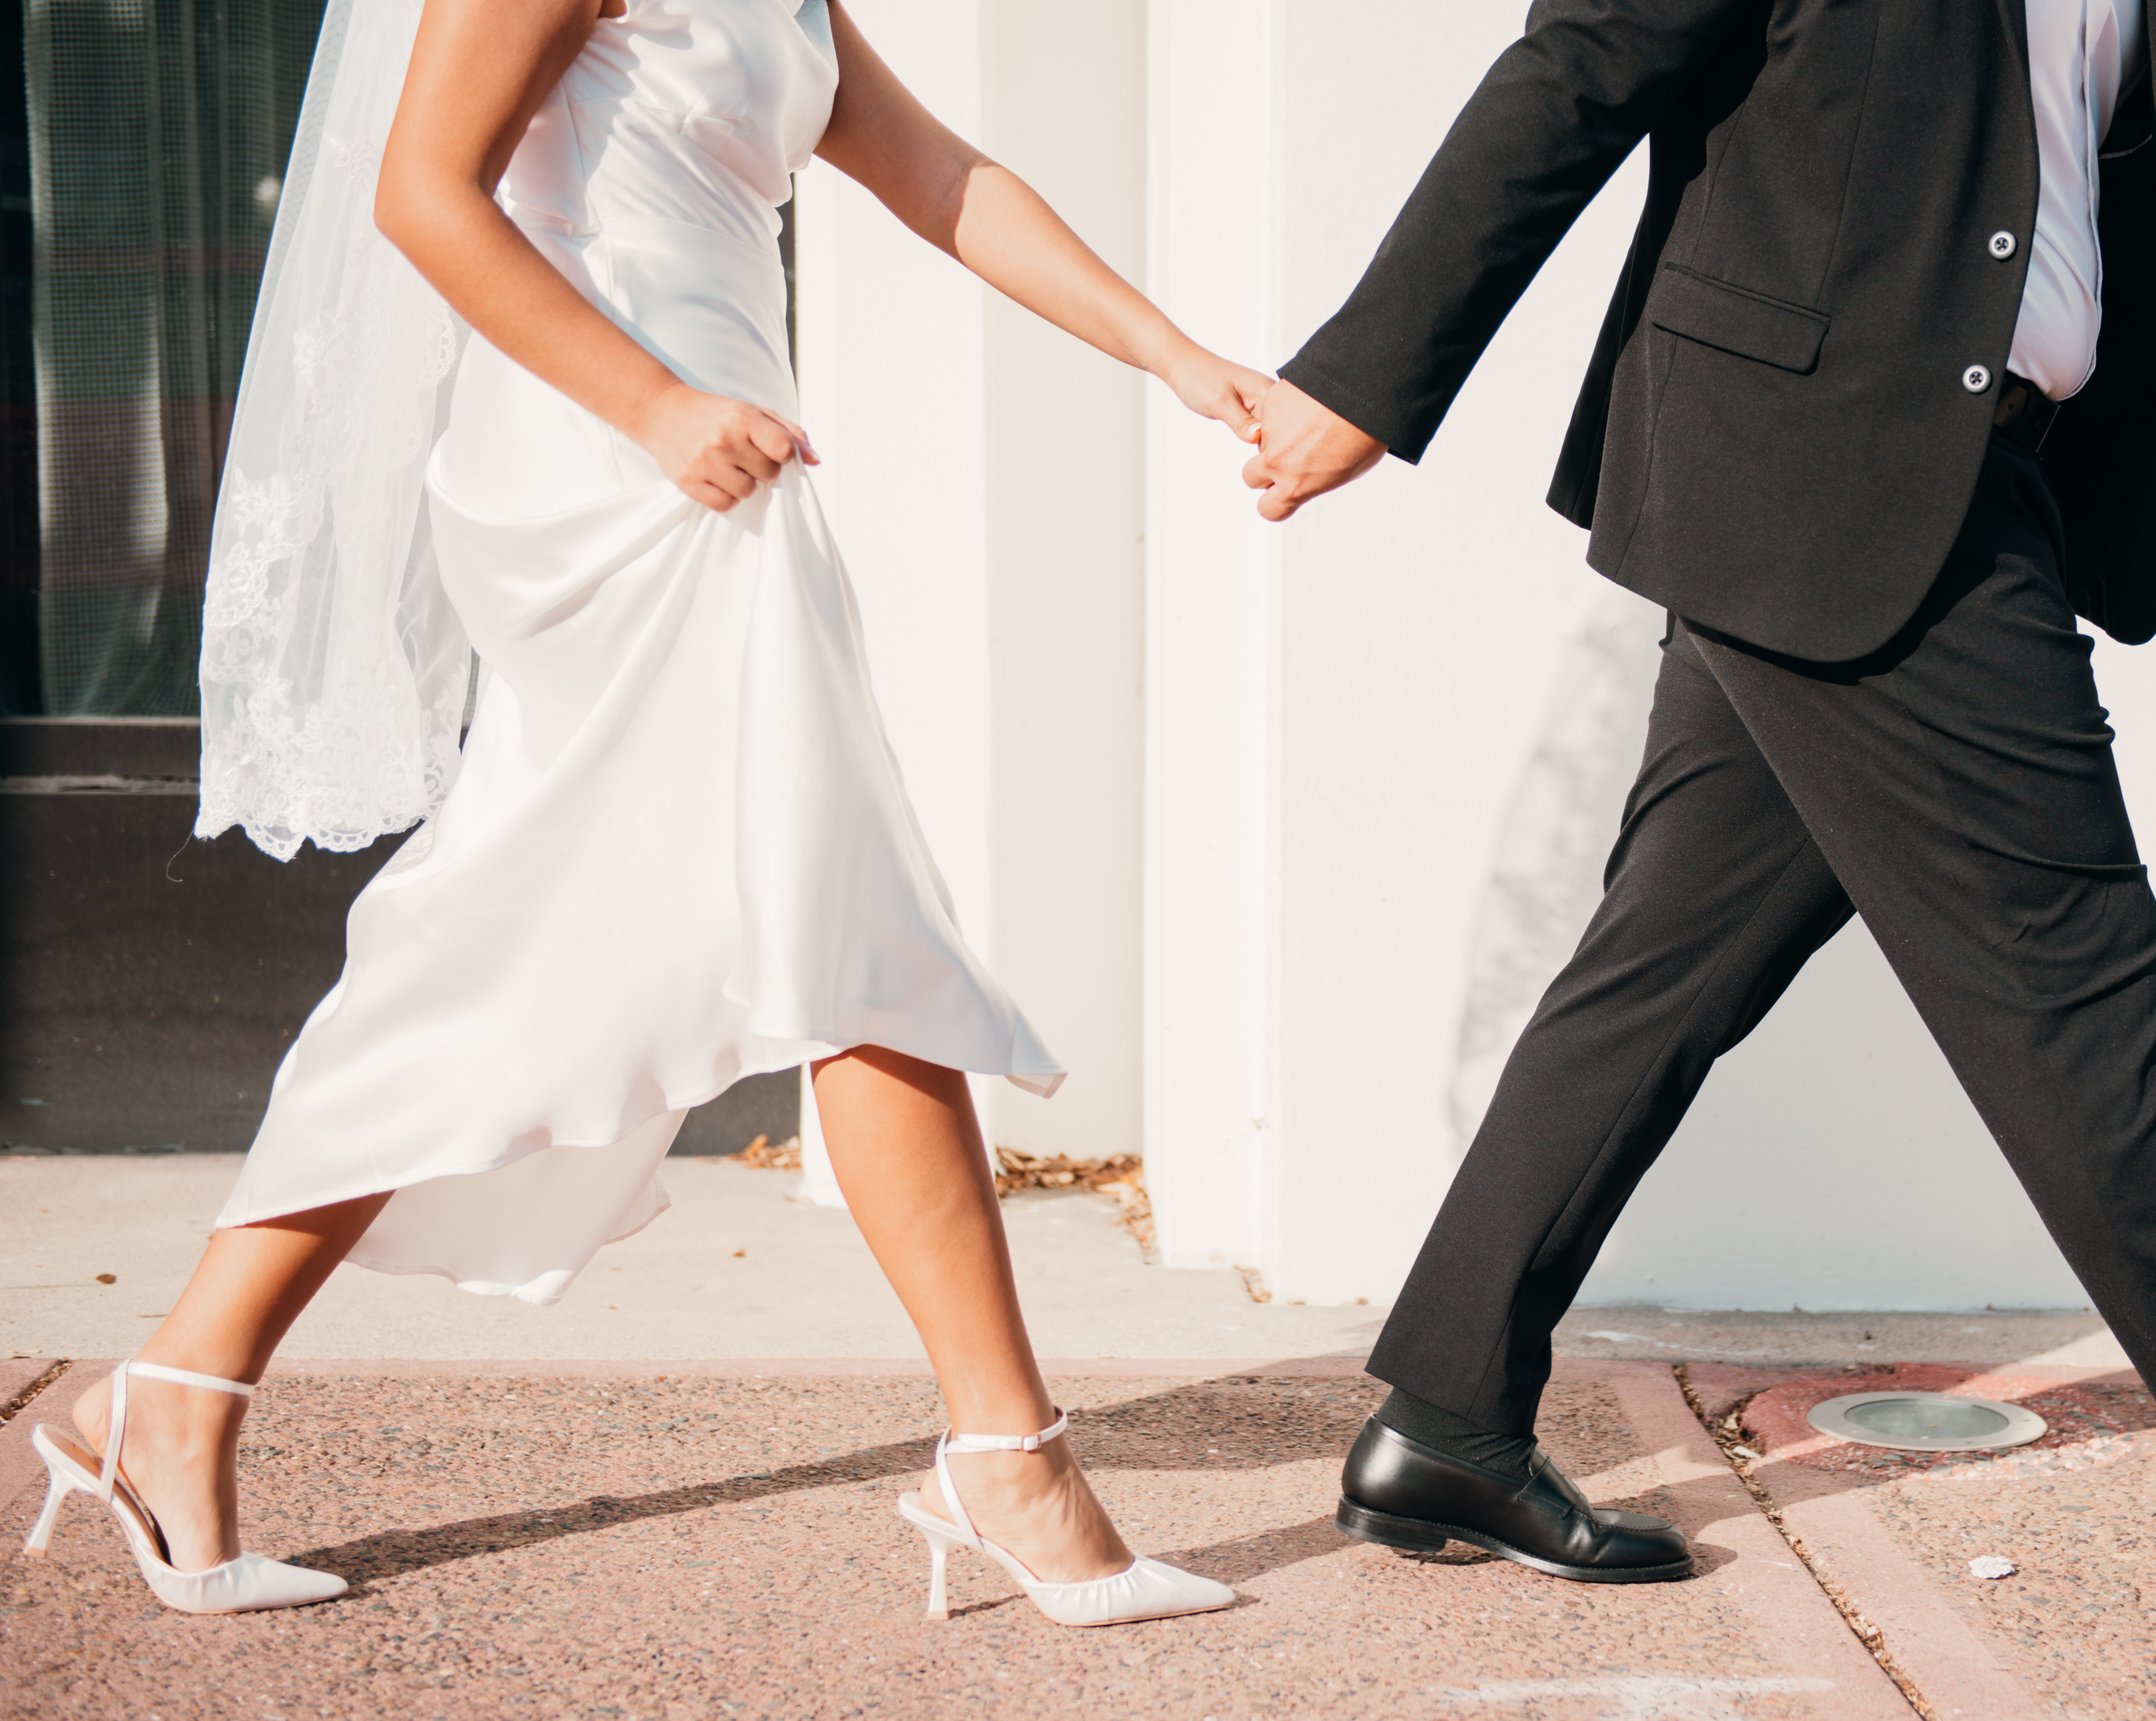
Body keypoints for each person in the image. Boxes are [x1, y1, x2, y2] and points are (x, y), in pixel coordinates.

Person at [1242, 0, 2156, 1671]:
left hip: (1939, 477)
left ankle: (1447, 1420)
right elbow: (1582, 58)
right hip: (1821, 465)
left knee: (1663, 968)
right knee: (2070, 986)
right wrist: (1369, 377)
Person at [20, 0, 1261, 1629]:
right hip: (620, 474)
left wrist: (1177, 356)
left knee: (562, 943)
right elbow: (423, 191)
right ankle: (1006, 1458)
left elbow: (941, 174)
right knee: (840, 933)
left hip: (731, 476)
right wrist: (655, 406)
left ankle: (176, 1390)